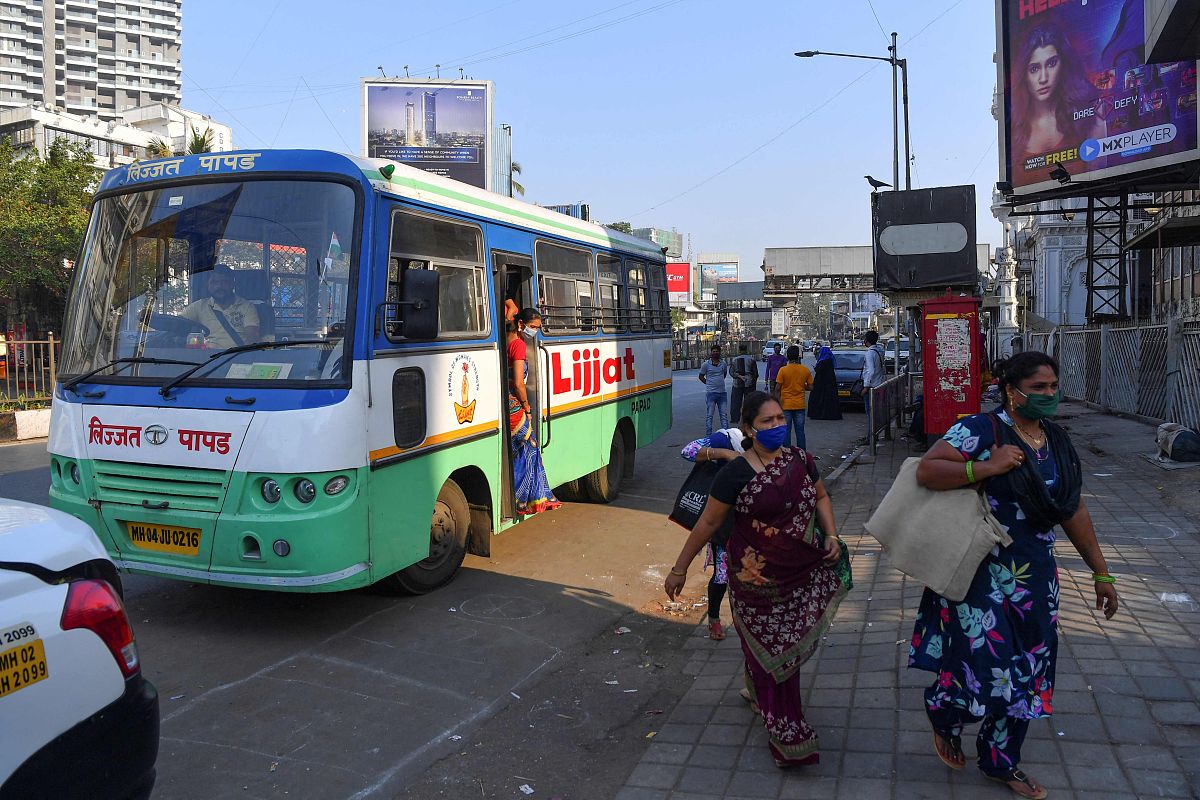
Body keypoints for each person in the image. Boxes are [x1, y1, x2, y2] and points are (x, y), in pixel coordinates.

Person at [909, 352, 1119, 800]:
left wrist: (1102, 573)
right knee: (982, 663)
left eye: (1053, 387)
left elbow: (1072, 508)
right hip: (978, 570)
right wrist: (987, 466)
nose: (1049, 395)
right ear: (1011, 390)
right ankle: (945, 713)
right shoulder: (982, 429)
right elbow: (928, 470)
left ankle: (1000, 760)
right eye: (1038, 388)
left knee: (1029, 667)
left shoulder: (1056, 441)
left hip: (1035, 577)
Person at [665, 392, 846, 767]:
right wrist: (680, 568)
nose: (778, 426)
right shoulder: (735, 473)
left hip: (797, 573)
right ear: (748, 428)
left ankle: (755, 687)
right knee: (776, 653)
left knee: (778, 647)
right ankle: (788, 733)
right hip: (754, 581)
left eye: (780, 418)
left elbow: (821, 497)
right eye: (767, 421)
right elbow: (709, 523)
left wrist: (831, 534)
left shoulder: (801, 460)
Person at [680, 426, 747, 640]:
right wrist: (724, 454)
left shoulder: (769, 447)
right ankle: (714, 619)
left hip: (753, 523)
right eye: (764, 421)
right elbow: (688, 451)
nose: (772, 426)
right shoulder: (728, 439)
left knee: (749, 576)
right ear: (747, 425)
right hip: (724, 522)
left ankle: (746, 622)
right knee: (722, 575)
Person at [1010, 24, 1104, 165]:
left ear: (1063, 63)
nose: (1043, 78)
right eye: (1034, 69)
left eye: (1051, 63)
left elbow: (1100, 171)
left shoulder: (1091, 110)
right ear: (1024, 74)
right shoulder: (1014, 127)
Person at [506, 309, 562, 515]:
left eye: (538, 328)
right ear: (521, 324)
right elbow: (519, 383)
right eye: (533, 327)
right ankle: (524, 499)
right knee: (530, 448)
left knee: (521, 450)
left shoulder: (507, 338)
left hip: (506, 403)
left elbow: (511, 306)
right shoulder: (519, 345)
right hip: (515, 406)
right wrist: (527, 408)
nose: (535, 331)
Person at [181, 264, 261, 348]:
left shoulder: (247, 306)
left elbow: (252, 336)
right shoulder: (199, 306)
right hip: (208, 355)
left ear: (232, 284)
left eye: (224, 282)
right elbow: (177, 324)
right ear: (208, 285)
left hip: (238, 354)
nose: (219, 286)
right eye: (214, 282)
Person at [773, 345, 813, 449]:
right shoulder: (805, 370)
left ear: (787, 356)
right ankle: (802, 453)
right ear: (798, 356)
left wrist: (778, 403)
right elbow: (811, 387)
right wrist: (802, 386)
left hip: (786, 405)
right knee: (800, 431)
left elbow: (777, 388)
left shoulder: (783, 370)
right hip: (800, 405)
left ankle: (787, 453)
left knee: (786, 431)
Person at [699, 345, 729, 436]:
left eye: (717, 351)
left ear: (720, 352)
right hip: (711, 394)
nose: (715, 353)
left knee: (724, 416)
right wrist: (708, 383)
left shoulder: (723, 364)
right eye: (714, 351)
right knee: (709, 415)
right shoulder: (706, 364)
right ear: (711, 353)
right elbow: (701, 376)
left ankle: (726, 435)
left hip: (722, 393)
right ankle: (708, 435)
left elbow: (724, 374)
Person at [807, 346, 842, 421]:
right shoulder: (830, 360)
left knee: (819, 398)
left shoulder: (822, 361)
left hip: (820, 383)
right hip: (830, 383)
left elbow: (819, 370)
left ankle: (819, 414)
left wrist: (815, 367)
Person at [729, 343, 759, 422]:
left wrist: (737, 376)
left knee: (736, 402)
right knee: (749, 402)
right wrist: (754, 383)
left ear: (739, 350)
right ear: (746, 350)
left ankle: (735, 418)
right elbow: (755, 374)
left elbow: (731, 372)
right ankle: (749, 418)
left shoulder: (734, 360)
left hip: (737, 383)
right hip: (749, 383)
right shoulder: (751, 359)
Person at [860, 330, 887, 416]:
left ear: (866, 340)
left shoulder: (869, 353)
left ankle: (871, 425)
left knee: (870, 412)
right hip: (879, 384)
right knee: (877, 411)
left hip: (871, 387)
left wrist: (866, 387)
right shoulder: (879, 351)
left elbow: (871, 371)